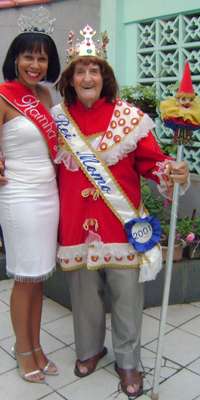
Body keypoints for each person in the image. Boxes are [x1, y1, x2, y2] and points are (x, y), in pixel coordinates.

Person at [52, 25, 189, 397]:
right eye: (80, 70)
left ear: (105, 77)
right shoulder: (56, 120)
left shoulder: (129, 118)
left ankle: (129, 363)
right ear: (70, 79)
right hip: (75, 229)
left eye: (94, 70)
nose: (87, 77)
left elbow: (152, 162)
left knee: (127, 300)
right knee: (83, 298)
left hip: (123, 227)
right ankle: (90, 349)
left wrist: (172, 170)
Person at [0, 7, 60, 383]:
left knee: (39, 277)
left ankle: (37, 345)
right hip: (19, 195)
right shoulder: (3, 96)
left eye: (41, 57)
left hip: (48, 192)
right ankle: (23, 349)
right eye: (28, 56)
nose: (35, 64)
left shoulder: (47, 95)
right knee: (25, 276)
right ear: (15, 59)